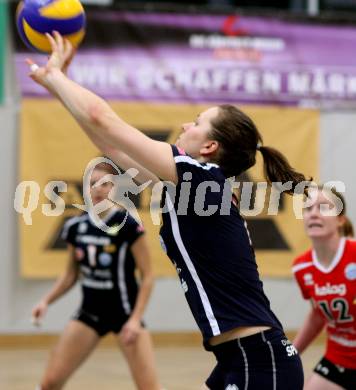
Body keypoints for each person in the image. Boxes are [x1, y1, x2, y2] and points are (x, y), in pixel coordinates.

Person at [27, 32, 307, 389]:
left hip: (258, 361)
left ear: (209, 146)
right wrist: (60, 87)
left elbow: (103, 117)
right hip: (240, 359)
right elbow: (108, 144)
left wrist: (56, 77)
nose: (186, 125)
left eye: (197, 120)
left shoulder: (202, 178)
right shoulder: (192, 187)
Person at [31, 162, 161, 390]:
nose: (99, 189)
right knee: (49, 383)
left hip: (125, 316)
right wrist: (46, 301)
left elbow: (148, 276)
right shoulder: (75, 226)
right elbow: (70, 275)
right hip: (90, 313)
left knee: (149, 387)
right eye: (93, 184)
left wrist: (134, 319)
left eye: (105, 184)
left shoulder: (128, 226)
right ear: (85, 188)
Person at [292, 186, 356, 390]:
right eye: (308, 208)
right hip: (339, 359)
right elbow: (318, 315)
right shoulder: (302, 267)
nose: (314, 214)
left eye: (323, 207)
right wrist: (292, 354)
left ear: (340, 219)